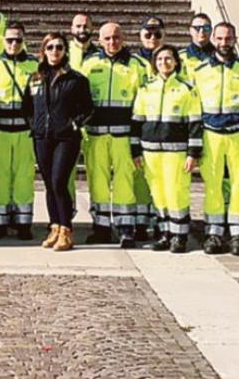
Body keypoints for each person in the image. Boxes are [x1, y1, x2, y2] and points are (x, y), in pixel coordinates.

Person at [192, 22, 239, 256]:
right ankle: (213, 233)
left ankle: (238, 234)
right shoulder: (200, 72)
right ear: (213, 39)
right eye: (220, 38)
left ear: (235, 39)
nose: (224, 43)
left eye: (228, 38)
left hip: (238, 134)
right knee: (212, 184)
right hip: (211, 134)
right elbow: (194, 108)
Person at [80, 22, 151, 247]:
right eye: (108, 38)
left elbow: (145, 102)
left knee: (124, 182)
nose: (113, 42)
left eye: (117, 37)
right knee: (97, 181)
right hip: (96, 135)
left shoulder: (138, 65)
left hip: (124, 136)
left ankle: (125, 227)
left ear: (124, 39)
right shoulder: (89, 64)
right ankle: (100, 227)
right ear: (100, 40)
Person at [24, 31, 93, 251]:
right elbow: (27, 106)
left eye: (59, 47)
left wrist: (74, 124)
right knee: (48, 184)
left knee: (59, 182)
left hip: (66, 138)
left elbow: (89, 109)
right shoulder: (35, 78)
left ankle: (66, 229)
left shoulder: (77, 80)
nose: (55, 51)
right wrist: (34, 124)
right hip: (42, 137)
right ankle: (54, 226)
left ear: (65, 51)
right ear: (43, 50)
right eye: (50, 47)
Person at [131, 45, 202, 253]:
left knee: (176, 193)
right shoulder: (145, 89)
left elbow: (195, 124)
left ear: (176, 62)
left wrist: (193, 153)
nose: (164, 63)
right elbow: (137, 121)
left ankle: (179, 235)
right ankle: (164, 233)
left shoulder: (187, 89)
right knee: (158, 193)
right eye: (160, 59)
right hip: (151, 152)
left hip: (176, 152)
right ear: (154, 64)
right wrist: (135, 150)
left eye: (168, 59)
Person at [0, 23, 39, 240]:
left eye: (18, 40)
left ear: (24, 40)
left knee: (24, 176)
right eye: (9, 40)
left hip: (24, 132)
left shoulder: (35, 65)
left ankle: (23, 222)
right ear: (3, 40)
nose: (14, 44)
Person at [128, 16, 167, 238]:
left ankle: (161, 220)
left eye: (157, 34)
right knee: (140, 176)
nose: (152, 38)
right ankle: (140, 222)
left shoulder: (172, 59)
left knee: (163, 178)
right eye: (148, 34)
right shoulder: (133, 63)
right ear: (140, 35)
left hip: (166, 128)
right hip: (142, 126)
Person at [180, 13, 215, 80]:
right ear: (190, 30)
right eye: (197, 28)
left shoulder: (219, 57)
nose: (202, 31)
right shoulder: (180, 57)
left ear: (211, 30)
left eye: (206, 28)